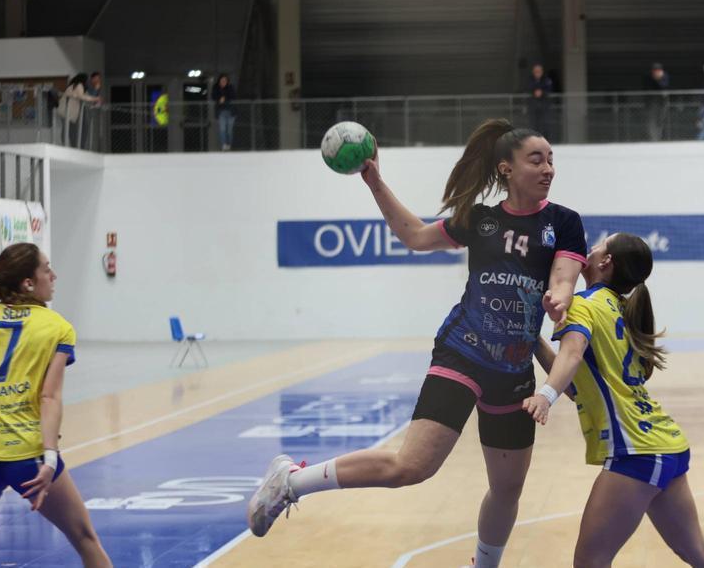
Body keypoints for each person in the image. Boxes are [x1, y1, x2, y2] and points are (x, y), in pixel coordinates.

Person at [247, 120, 586, 568]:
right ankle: (292, 480)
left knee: (507, 488)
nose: (548, 168)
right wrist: (375, 182)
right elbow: (414, 236)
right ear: (506, 168)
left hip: (514, 370)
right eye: (536, 159)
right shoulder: (479, 218)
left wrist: (559, 300)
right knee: (412, 467)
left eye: (551, 159)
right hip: (462, 352)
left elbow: (563, 278)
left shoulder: (563, 222)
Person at [524, 233, 704, 568]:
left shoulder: (583, 305)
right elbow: (580, 388)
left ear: (605, 262)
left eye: (599, 246)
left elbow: (573, 353)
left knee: (590, 562)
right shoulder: (623, 310)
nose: (589, 249)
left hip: (636, 451)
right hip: (666, 446)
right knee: (699, 553)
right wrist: (533, 341)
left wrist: (546, 394)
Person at [0, 243, 112, 568]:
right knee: (85, 539)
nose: (54, 275)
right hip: (30, 458)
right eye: (47, 268)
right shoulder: (58, 328)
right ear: (28, 283)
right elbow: (49, 397)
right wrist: (49, 456)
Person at [57, 74, 100, 148]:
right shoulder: (79, 85)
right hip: (67, 113)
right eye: (87, 80)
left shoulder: (75, 86)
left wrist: (95, 94)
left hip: (68, 113)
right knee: (69, 130)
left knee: (69, 130)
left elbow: (86, 96)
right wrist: (95, 99)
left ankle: (69, 145)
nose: (88, 82)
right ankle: (67, 145)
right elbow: (82, 97)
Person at [527, 64, 558, 143]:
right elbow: (528, 88)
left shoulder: (546, 80)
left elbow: (549, 88)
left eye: (539, 71)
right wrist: (535, 91)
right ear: (533, 72)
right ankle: (533, 141)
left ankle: (545, 141)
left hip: (545, 105)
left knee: (545, 123)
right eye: (536, 71)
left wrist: (542, 92)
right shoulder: (530, 79)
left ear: (542, 72)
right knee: (534, 124)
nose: (537, 73)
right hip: (533, 105)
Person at [642, 63, 670, 141]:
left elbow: (664, 86)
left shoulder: (665, 76)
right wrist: (654, 79)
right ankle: (653, 139)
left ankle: (660, 138)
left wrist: (659, 79)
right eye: (655, 70)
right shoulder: (648, 77)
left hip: (663, 101)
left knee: (661, 120)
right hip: (652, 101)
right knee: (651, 120)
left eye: (659, 70)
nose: (657, 72)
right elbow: (647, 88)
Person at [211, 74, 237, 151]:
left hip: (231, 111)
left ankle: (229, 144)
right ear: (219, 81)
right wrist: (219, 99)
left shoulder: (230, 87)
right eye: (222, 80)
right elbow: (213, 97)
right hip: (221, 111)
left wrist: (224, 98)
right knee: (222, 129)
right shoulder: (216, 88)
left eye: (225, 80)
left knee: (229, 130)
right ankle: (224, 145)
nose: (223, 82)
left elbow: (233, 96)